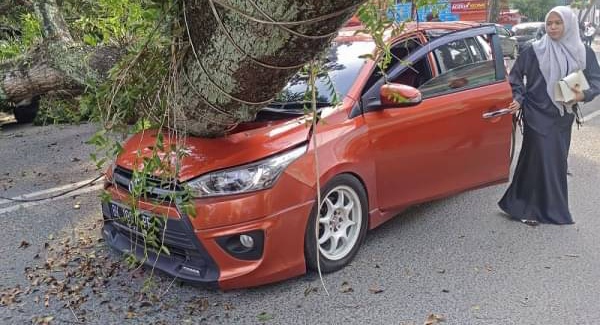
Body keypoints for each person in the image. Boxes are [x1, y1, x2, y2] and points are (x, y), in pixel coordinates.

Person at [498, 6, 600, 225]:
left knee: (553, 160)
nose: (552, 27)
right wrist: (518, 97)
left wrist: (583, 94)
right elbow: (515, 76)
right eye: (549, 23)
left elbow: (595, 80)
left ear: (568, 24)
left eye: (558, 23)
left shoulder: (583, 51)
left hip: (563, 115)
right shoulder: (535, 49)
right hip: (536, 112)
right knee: (542, 157)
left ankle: (518, 204)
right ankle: (544, 210)